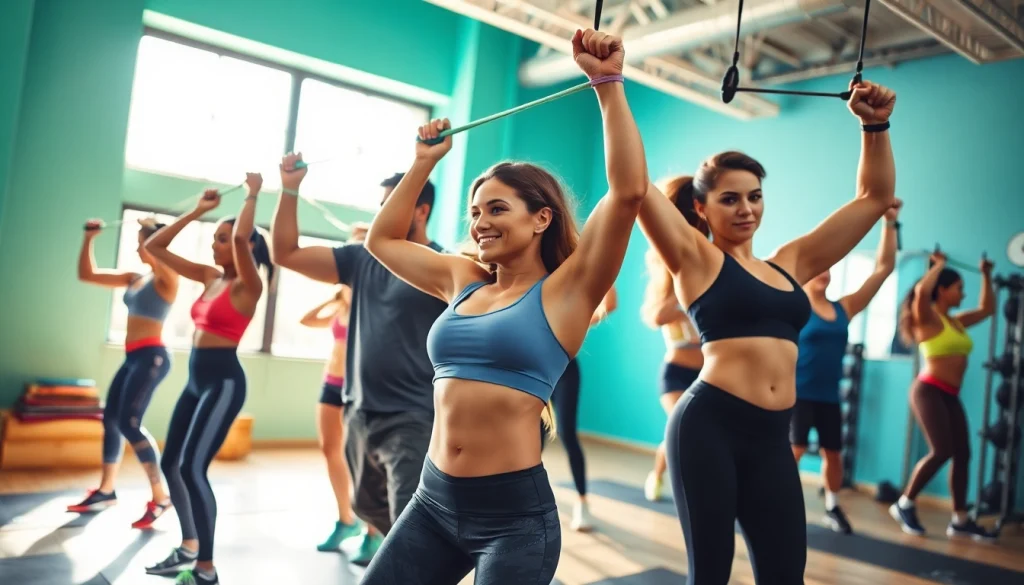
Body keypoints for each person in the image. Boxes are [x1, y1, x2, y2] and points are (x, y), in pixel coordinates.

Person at [358, 28, 647, 584]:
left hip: (514, 520)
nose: (480, 223)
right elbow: (384, 242)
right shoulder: (463, 280)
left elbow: (628, 191)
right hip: (431, 501)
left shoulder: (569, 291)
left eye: (497, 209)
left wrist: (607, 85)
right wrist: (423, 163)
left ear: (541, 218)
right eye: (474, 212)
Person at [637, 79, 896, 584]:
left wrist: (874, 125)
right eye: (730, 199)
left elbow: (874, 197)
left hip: (774, 439)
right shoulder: (695, 260)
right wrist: (609, 87)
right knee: (709, 576)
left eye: (754, 197)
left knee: (785, 578)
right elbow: (632, 182)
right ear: (701, 209)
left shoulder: (789, 264)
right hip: (709, 427)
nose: (746, 209)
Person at [270, 171, 445, 566]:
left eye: (392, 203)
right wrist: (290, 187)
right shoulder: (361, 258)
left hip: (413, 417)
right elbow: (285, 253)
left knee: (409, 521)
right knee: (365, 505)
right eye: (381, 203)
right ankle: (413, 560)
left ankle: (413, 565)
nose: (382, 212)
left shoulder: (441, 265)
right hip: (359, 412)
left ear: (421, 210)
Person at [142, 173, 274, 585]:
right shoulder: (209, 277)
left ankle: (206, 570)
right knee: (171, 462)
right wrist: (199, 211)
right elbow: (154, 246)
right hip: (195, 382)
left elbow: (239, 242)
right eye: (215, 237)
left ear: (248, 245)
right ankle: (189, 546)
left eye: (223, 238)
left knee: (193, 468)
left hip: (223, 384)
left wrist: (252, 196)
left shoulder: (250, 285)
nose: (217, 244)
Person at [792, 200, 901, 535]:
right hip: (797, 394)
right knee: (792, 452)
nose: (824, 271)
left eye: (829, 267)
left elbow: (882, 268)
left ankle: (832, 507)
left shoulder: (844, 308)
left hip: (828, 395)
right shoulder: (793, 304)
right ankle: (773, 503)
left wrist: (889, 224)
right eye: (819, 266)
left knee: (834, 456)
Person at [69, 217, 179, 529]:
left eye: (142, 239)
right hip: (132, 357)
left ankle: (161, 497)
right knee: (111, 420)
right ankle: (106, 491)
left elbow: (162, 253)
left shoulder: (166, 279)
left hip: (152, 357)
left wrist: (157, 238)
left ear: (155, 243)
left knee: (130, 424)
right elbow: (86, 274)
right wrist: (90, 238)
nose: (136, 246)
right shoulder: (136, 277)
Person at [889, 249, 995, 541]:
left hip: (949, 394)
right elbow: (923, 290)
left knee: (963, 453)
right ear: (943, 290)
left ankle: (960, 520)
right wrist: (938, 266)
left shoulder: (956, 321)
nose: (963, 294)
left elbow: (987, 309)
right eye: (960, 288)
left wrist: (985, 273)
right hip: (928, 390)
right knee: (942, 450)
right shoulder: (927, 318)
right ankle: (905, 503)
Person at [639, 182, 704, 504]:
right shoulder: (668, 282)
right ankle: (660, 475)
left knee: (695, 432)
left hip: (707, 374)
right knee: (682, 427)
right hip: (676, 372)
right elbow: (654, 317)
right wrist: (683, 305)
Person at [543, 286, 618, 533]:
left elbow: (609, 305)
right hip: (536, 368)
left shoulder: (572, 295)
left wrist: (609, 267)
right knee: (533, 437)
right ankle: (530, 501)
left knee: (566, 433)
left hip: (566, 370)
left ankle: (582, 501)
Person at [297, 272, 362, 551]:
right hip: (331, 384)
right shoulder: (340, 308)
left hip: (357, 387)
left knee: (360, 456)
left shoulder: (367, 307)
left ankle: (373, 530)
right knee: (329, 449)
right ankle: (345, 519)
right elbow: (306, 319)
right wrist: (334, 297)